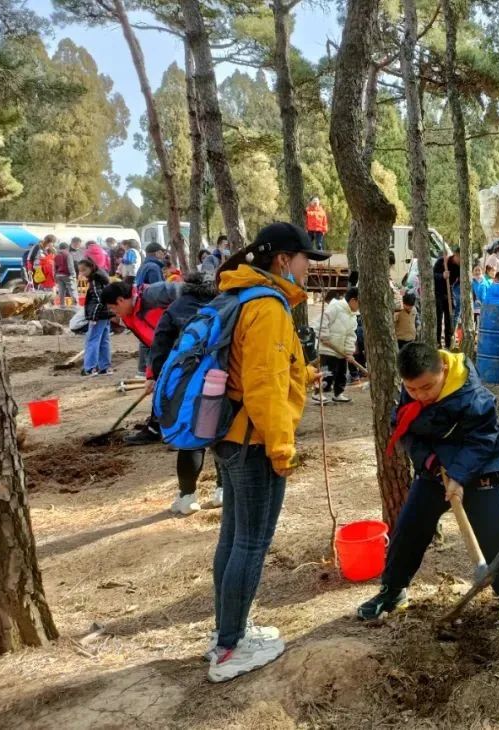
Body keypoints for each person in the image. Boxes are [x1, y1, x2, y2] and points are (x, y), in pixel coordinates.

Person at [204, 222, 329, 682]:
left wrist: (305, 374)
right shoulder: (269, 308)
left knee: (234, 537)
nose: (308, 267)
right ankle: (230, 648)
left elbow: (266, 370)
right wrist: (282, 450)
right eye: (305, 259)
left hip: (229, 435)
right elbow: (264, 387)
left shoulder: (243, 295)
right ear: (283, 260)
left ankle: (227, 631)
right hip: (254, 442)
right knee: (251, 542)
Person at [357, 341, 499, 633]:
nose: (420, 395)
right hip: (435, 470)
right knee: (409, 528)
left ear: (442, 369)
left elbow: (482, 441)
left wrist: (459, 477)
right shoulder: (413, 389)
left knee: (494, 532)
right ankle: (393, 590)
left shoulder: (473, 396)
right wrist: (429, 462)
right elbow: (404, 428)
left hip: (479, 468)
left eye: (427, 387)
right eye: (412, 389)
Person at [146, 272, 221, 514]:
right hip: (218, 380)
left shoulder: (175, 309)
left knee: (190, 441)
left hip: (185, 384)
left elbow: (160, 348)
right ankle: (222, 490)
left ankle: (188, 496)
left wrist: (161, 382)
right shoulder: (222, 306)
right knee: (219, 436)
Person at [101, 278, 183, 445]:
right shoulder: (129, 318)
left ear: (120, 300)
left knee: (177, 389)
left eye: (112, 308)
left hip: (185, 348)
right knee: (161, 387)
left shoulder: (152, 298)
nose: (113, 313)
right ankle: (156, 427)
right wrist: (150, 375)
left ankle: (177, 433)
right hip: (165, 353)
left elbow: (185, 297)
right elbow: (149, 345)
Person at [313, 288, 358, 405]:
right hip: (328, 348)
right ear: (353, 300)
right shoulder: (335, 307)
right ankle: (318, 393)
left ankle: (338, 393)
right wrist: (324, 336)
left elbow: (351, 335)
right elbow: (321, 321)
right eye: (360, 303)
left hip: (340, 350)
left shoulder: (353, 316)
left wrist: (349, 352)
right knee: (327, 372)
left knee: (341, 374)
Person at [78, 258, 113, 376]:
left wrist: (93, 317)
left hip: (99, 314)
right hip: (106, 313)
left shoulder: (95, 280)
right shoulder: (103, 277)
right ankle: (105, 367)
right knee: (104, 340)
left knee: (92, 340)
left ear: (91, 268)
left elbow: (99, 300)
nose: (82, 273)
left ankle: (90, 368)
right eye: (80, 271)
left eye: (84, 270)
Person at [434, 251, 461, 348]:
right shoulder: (442, 261)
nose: (461, 260)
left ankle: (449, 343)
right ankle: (437, 343)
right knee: (438, 319)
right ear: (455, 255)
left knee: (449, 319)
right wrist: (442, 276)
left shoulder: (459, 267)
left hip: (449, 294)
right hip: (438, 294)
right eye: (460, 257)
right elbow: (432, 275)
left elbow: (460, 281)